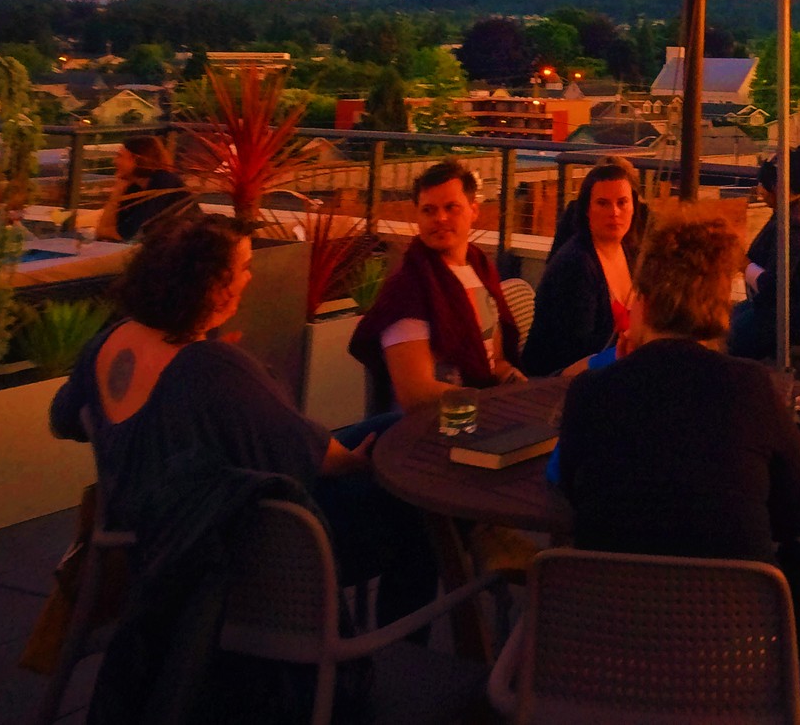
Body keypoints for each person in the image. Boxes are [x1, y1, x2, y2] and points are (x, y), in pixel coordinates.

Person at [49, 214, 434, 607]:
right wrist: (359, 462)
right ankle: (409, 643)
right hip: (238, 545)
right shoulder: (209, 367)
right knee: (416, 501)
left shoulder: (105, 344)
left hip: (151, 524)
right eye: (244, 268)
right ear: (211, 284)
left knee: (394, 425)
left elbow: (65, 420)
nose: (249, 279)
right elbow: (313, 455)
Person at [555, 208, 800, 691]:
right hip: (735, 666)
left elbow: (570, 489)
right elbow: (796, 516)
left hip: (604, 664)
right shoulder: (751, 390)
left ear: (640, 303)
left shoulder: (591, 393)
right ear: (720, 310)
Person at [349, 159, 524, 410]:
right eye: (429, 210)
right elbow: (416, 393)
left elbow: (496, 362)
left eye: (451, 207)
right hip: (436, 424)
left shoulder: (479, 268)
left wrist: (521, 388)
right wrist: (490, 405)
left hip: (484, 405)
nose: (440, 218)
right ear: (417, 215)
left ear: (474, 211)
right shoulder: (409, 290)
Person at [521, 157, 643, 376]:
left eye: (622, 202)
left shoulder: (630, 251)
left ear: (634, 207)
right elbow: (577, 353)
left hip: (611, 373)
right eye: (603, 203)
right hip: (555, 382)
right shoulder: (575, 265)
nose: (614, 212)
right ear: (586, 209)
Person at [726, 143, 800, 362]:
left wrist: (743, 264)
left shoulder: (795, 227)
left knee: (722, 338)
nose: (759, 190)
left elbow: (773, 286)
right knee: (719, 320)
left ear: (778, 185)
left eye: (763, 184)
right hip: (775, 310)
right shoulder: (787, 215)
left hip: (796, 319)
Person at [94, 134, 193, 242]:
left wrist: (105, 232)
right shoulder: (134, 188)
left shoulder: (163, 182)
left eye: (120, 156)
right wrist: (117, 192)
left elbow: (127, 232)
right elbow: (110, 229)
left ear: (138, 160)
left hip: (184, 248)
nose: (114, 162)